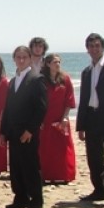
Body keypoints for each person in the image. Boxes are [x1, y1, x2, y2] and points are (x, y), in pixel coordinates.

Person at [0, 46, 47, 208]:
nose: (21, 60)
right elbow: (8, 108)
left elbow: (41, 109)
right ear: (14, 59)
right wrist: (3, 132)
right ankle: (20, 198)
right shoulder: (13, 81)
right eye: (18, 57)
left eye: (24, 57)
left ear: (29, 59)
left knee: (30, 166)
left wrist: (30, 130)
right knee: (16, 166)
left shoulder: (36, 79)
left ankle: (36, 200)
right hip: (13, 131)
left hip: (27, 132)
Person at [77, 33, 104, 201]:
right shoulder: (86, 72)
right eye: (91, 46)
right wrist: (80, 126)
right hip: (92, 118)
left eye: (97, 46)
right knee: (94, 157)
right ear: (87, 50)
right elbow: (83, 99)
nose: (94, 49)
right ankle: (99, 190)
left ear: (102, 47)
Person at [39, 54, 76, 183]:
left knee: (63, 147)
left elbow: (69, 99)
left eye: (59, 62)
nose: (58, 64)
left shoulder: (65, 79)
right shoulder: (41, 80)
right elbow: (37, 100)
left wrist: (65, 117)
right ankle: (46, 175)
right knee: (45, 147)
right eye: (55, 62)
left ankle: (64, 175)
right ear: (48, 64)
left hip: (61, 117)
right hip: (45, 118)